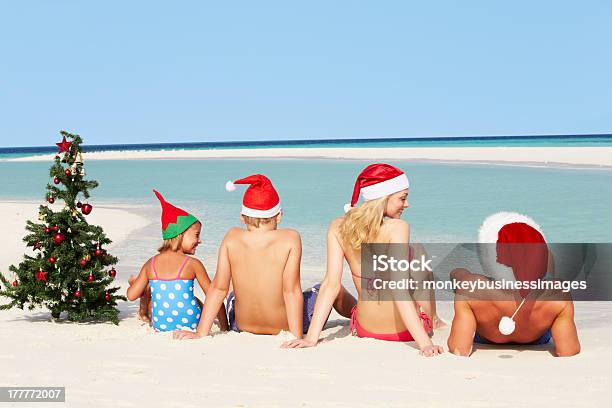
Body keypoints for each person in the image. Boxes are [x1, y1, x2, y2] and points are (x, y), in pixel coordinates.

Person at [282, 163, 444, 356]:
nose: (406, 204)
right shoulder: (398, 227)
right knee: (418, 253)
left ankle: (432, 318)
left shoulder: (337, 226)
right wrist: (425, 344)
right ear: (383, 198)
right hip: (403, 331)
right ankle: (434, 319)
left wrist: (311, 339)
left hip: (364, 328)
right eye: (403, 198)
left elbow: (331, 285)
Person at [173, 174, 355, 340]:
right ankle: (360, 314)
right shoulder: (290, 238)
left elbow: (218, 288)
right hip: (282, 326)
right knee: (330, 289)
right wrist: (297, 336)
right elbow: (290, 291)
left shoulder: (231, 237)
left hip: (241, 325)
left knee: (230, 290)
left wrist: (201, 332)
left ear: (242, 217)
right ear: (279, 216)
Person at [447, 212, 580, 357]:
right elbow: (568, 350)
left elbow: (459, 349)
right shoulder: (560, 293)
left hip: (489, 335)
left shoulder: (470, 287)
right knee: (548, 271)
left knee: (459, 274)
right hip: (535, 335)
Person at [127, 190, 228, 332]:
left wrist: (136, 285)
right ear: (180, 235)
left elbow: (131, 296)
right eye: (196, 235)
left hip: (161, 325)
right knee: (198, 300)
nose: (199, 240)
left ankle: (145, 302)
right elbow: (214, 295)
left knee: (156, 301)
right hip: (192, 322)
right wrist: (225, 327)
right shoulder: (193, 264)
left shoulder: (150, 264)